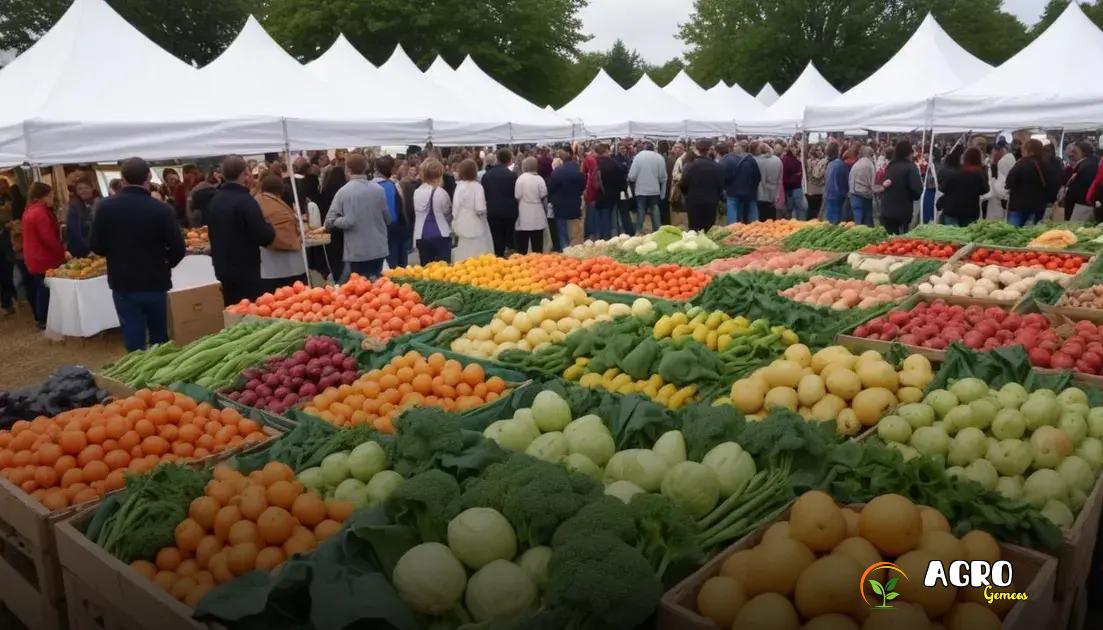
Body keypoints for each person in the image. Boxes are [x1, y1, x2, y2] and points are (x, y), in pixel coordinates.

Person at [89, 158, 185, 350]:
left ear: (122, 179)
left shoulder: (106, 208)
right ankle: (160, 366)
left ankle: (137, 366)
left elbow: (96, 245)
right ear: (148, 177)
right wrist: (165, 264)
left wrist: (116, 254)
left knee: (133, 337)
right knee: (159, 337)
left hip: (123, 281)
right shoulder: (161, 209)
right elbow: (178, 248)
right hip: (155, 280)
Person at [207, 155, 276, 306]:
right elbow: (264, 236)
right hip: (246, 269)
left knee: (232, 309)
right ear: (245, 174)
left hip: (222, 267)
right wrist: (269, 227)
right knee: (249, 310)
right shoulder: (246, 201)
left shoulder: (215, 201)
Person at [325, 153, 391, 280]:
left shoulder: (343, 192)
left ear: (348, 170)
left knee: (359, 287)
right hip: (379, 248)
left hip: (357, 251)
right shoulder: (379, 190)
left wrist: (338, 221)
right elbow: (387, 218)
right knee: (378, 285)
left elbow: (330, 221)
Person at [21, 182, 65, 329]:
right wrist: (62, 252)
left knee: (41, 288)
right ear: (43, 197)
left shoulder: (30, 210)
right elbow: (48, 238)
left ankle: (42, 318)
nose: (52, 199)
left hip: (33, 256)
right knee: (45, 289)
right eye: (51, 196)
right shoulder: (40, 213)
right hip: (43, 257)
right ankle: (44, 319)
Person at [255, 174, 307, 290]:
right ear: (280, 190)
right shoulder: (275, 206)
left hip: (267, 266)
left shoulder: (257, 201)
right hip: (286, 267)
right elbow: (287, 234)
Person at [412, 159, 453, 264]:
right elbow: (448, 213)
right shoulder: (441, 193)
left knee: (426, 268)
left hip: (421, 235)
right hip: (441, 234)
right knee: (443, 268)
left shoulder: (417, 192)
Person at [452, 158, 493, 261]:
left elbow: (455, 208)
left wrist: (456, 220)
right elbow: (480, 208)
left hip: (462, 222)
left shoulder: (459, 186)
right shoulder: (477, 186)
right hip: (476, 223)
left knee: (463, 250)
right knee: (478, 252)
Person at [879, 140, 923, 235]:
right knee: (901, 240)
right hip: (903, 212)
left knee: (890, 239)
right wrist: (910, 196)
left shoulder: (890, 165)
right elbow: (917, 190)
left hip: (887, 210)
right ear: (909, 153)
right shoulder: (911, 167)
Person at [937, 147, 989, 227]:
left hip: (952, 210)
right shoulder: (979, 175)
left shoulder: (955, 173)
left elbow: (943, 188)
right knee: (966, 234)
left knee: (951, 234)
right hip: (970, 212)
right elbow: (985, 190)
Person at [681, 139, 725, 231]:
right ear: (709, 150)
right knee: (708, 229)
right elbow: (720, 186)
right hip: (711, 201)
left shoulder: (690, 166)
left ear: (697, 150)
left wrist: (687, 195)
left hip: (694, 201)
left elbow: (683, 183)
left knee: (694, 229)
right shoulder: (717, 167)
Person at [373, 156, 409, 270]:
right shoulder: (394, 185)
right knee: (394, 263)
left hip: (376, 228)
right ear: (392, 169)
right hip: (394, 228)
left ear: (376, 169)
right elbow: (401, 207)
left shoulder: (369, 186)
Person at [1005, 139, 1050, 228]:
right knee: (1033, 233)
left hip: (1018, 205)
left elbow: (1009, 181)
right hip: (1039, 205)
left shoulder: (1021, 163)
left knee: (1012, 232)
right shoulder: (1047, 163)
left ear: (1028, 150)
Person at [482, 148, 519, 256]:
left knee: (496, 239)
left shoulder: (487, 176)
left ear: (497, 158)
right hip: (510, 211)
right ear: (509, 160)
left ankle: (499, 258)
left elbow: (485, 194)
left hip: (493, 210)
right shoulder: (512, 176)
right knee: (510, 239)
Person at [548, 149, 585, 251]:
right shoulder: (579, 172)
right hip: (575, 204)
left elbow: (550, 188)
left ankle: (565, 249)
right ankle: (575, 248)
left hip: (560, 205)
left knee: (562, 230)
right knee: (575, 230)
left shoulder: (557, 172)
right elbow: (582, 186)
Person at [627, 141, 668, 233]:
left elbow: (632, 176)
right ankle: (657, 231)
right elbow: (663, 177)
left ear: (644, 148)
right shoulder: (659, 157)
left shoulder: (638, 157)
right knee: (655, 208)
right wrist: (663, 193)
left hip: (641, 189)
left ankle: (638, 231)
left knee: (641, 210)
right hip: (654, 189)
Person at [514, 157, 549, 254]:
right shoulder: (539, 179)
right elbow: (543, 194)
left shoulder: (520, 179)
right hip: (537, 211)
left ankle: (522, 259)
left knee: (522, 243)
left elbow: (517, 195)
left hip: (524, 211)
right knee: (537, 242)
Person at [722, 141, 760, 223]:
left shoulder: (729, 159)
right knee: (750, 209)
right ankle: (753, 226)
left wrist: (726, 186)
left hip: (733, 190)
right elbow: (757, 177)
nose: (734, 148)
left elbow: (725, 175)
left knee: (733, 210)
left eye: (736, 146)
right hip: (748, 190)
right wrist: (753, 187)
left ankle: (733, 227)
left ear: (742, 147)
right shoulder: (751, 160)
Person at [595, 143, 627, 239]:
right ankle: (611, 237)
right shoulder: (613, 163)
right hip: (614, 195)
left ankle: (603, 238)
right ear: (606, 151)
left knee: (602, 219)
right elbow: (621, 180)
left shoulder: (595, 163)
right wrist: (622, 190)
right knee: (613, 219)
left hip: (600, 196)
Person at [982, 139, 1015, 221]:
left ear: (999, 151)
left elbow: (1000, 187)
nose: (993, 154)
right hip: (1003, 198)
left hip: (999, 198)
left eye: (994, 152)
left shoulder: (1002, 162)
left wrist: (993, 181)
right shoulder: (1009, 158)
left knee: (996, 219)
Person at [65, 179, 97, 258]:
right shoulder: (75, 207)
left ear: (92, 188)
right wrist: (87, 250)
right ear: (76, 192)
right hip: (84, 252)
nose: (84, 190)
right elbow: (75, 231)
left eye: (86, 187)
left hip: (96, 248)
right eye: (80, 189)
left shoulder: (96, 203)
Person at [848, 146, 876, 226]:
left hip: (853, 195)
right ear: (871, 154)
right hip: (864, 196)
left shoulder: (857, 164)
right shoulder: (869, 165)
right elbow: (872, 183)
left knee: (858, 223)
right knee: (867, 223)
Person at [755, 143, 782, 221]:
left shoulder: (758, 160)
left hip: (761, 192)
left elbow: (759, 177)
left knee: (762, 217)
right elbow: (780, 178)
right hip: (774, 190)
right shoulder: (778, 160)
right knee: (772, 216)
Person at [823, 144, 849, 224]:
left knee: (830, 220)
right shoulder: (840, 164)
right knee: (837, 221)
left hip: (829, 195)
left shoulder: (830, 164)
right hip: (838, 196)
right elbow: (845, 180)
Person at [781, 145, 806, 220]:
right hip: (796, 187)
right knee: (800, 208)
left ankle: (790, 224)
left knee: (789, 209)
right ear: (792, 149)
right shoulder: (796, 161)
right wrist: (797, 175)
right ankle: (800, 223)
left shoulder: (783, 160)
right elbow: (799, 173)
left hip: (787, 188)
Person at [581, 145, 601, 239]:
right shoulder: (591, 160)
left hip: (590, 192)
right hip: (592, 192)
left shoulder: (588, 159)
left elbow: (584, 174)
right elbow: (591, 177)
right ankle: (593, 234)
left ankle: (590, 234)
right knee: (593, 213)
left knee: (590, 213)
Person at [805, 146, 826, 219]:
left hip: (809, 189)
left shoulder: (807, 162)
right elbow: (818, 175)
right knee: (817, 210)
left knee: (810, 210)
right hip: (819, 189)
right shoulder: (820, 162)